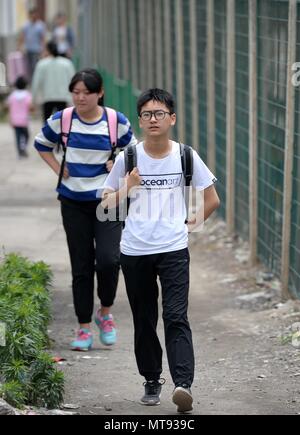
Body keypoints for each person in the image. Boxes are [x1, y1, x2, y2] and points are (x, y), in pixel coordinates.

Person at [102, 89, 220, 413]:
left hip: (173, 249)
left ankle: (183, 384)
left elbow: (211, 200)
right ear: (140, 120)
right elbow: (105, 205)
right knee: (144, 318)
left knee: (175, 315)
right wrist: (127, 186)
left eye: (159, 114)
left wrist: (186, 227)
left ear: (172, 118)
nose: (153, 120)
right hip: (135, 250)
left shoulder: (185, 155)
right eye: (146, 114)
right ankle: (151, 379)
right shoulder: (129, 157)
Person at [34, 69, 137, 351]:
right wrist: (59, 169)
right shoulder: (62, 120)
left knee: (108, 259)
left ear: (99, 93)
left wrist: (117, 162)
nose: (80, 97)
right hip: (73, 201)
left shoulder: (116, 121)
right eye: (75, 92)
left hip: (109, 199)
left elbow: (134, 155)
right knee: (81, 265)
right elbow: (41, 144)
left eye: (86, 92)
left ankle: (105, 312)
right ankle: (82, 329)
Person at [32, 41, 76, 122]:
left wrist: (33, 99)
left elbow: (36, 82)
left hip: (47, 98)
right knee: (63, 123)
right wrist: (73, 98)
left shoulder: (42, 64)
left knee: (47, 124)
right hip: (63, 98)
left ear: (47, 50)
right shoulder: (67, 63)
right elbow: (74, 81)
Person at [6, 76, 33, 159]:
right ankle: (23, 148)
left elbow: (7, 105)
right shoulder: (27, 95)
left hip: (14, 120)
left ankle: (20, 152)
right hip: (24, 120)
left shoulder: (12, 95)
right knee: (26, 135)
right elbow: (30, 106)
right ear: (25, 85)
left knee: (18, 136)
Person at [18, 8, 47, 81]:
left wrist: (44, 49)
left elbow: (43, 38)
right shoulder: (26, 25)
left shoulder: (40, 25)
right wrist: (20, 46)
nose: (33, 16)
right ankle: (30, 80)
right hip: (28, 49)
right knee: (28, 66)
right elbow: (22, 36)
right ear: (30, 15)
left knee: (35, 66)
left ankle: (36, 80)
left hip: (37, 49)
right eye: (32, 14)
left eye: (35, 14)